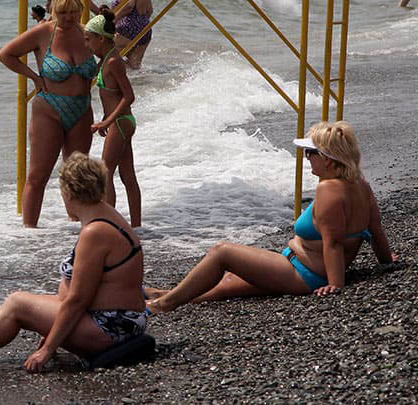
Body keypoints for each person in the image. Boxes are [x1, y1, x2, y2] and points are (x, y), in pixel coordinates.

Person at [0, 153, 146, 374]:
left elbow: (77, 300)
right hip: (117, 320)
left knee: (17, 304)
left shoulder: (95, 232)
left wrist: (48, 348)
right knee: (15, 302)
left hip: (112, 328)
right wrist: (52, 325)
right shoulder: (105, 215)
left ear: (70, 193)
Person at [146, 121, 398, 313]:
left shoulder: (329, 189)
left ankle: (163, 305)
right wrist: (386, 261)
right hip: (300, 267)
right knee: (226, 284)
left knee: (222, 252)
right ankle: (161, 294)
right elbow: (375, 230)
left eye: (310, 153)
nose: (306, 158)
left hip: (306, 274)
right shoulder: (361, 185)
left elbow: (331, 242)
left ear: (329, 160)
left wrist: (335, 284)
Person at [0, 0, 96, 227]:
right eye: (62, 13)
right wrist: (33, 76)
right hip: (49, 109)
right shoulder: (43, 33)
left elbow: (113, 54)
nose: (68, 18)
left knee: (78, 176)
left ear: (80, 10)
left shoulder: (86, 34)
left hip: (81, 109)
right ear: (53, 11)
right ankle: (29, 234)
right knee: (37, 175)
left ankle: (77, 226)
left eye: (73, 12)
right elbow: (5, 55)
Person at [85, 9, 140, 227]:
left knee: (104, 175)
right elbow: (111, 95)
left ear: (101, 38)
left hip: (121, 122)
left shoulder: (113, 62)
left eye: (89, 40)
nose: (87, 45)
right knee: (127, 176)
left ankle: (109, 225)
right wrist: (105, 117)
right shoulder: (106, 59)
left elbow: (129, 96)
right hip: (119, 122)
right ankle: (136, 227)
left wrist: (107, 121)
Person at [111, 0, 153, 70]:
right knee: (134, 66)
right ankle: (137, 84)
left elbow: (129, 5)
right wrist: (140, 22)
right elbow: (150, 10)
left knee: (107, 56)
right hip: (145, 30)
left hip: (127, 29)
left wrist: (114, 20)